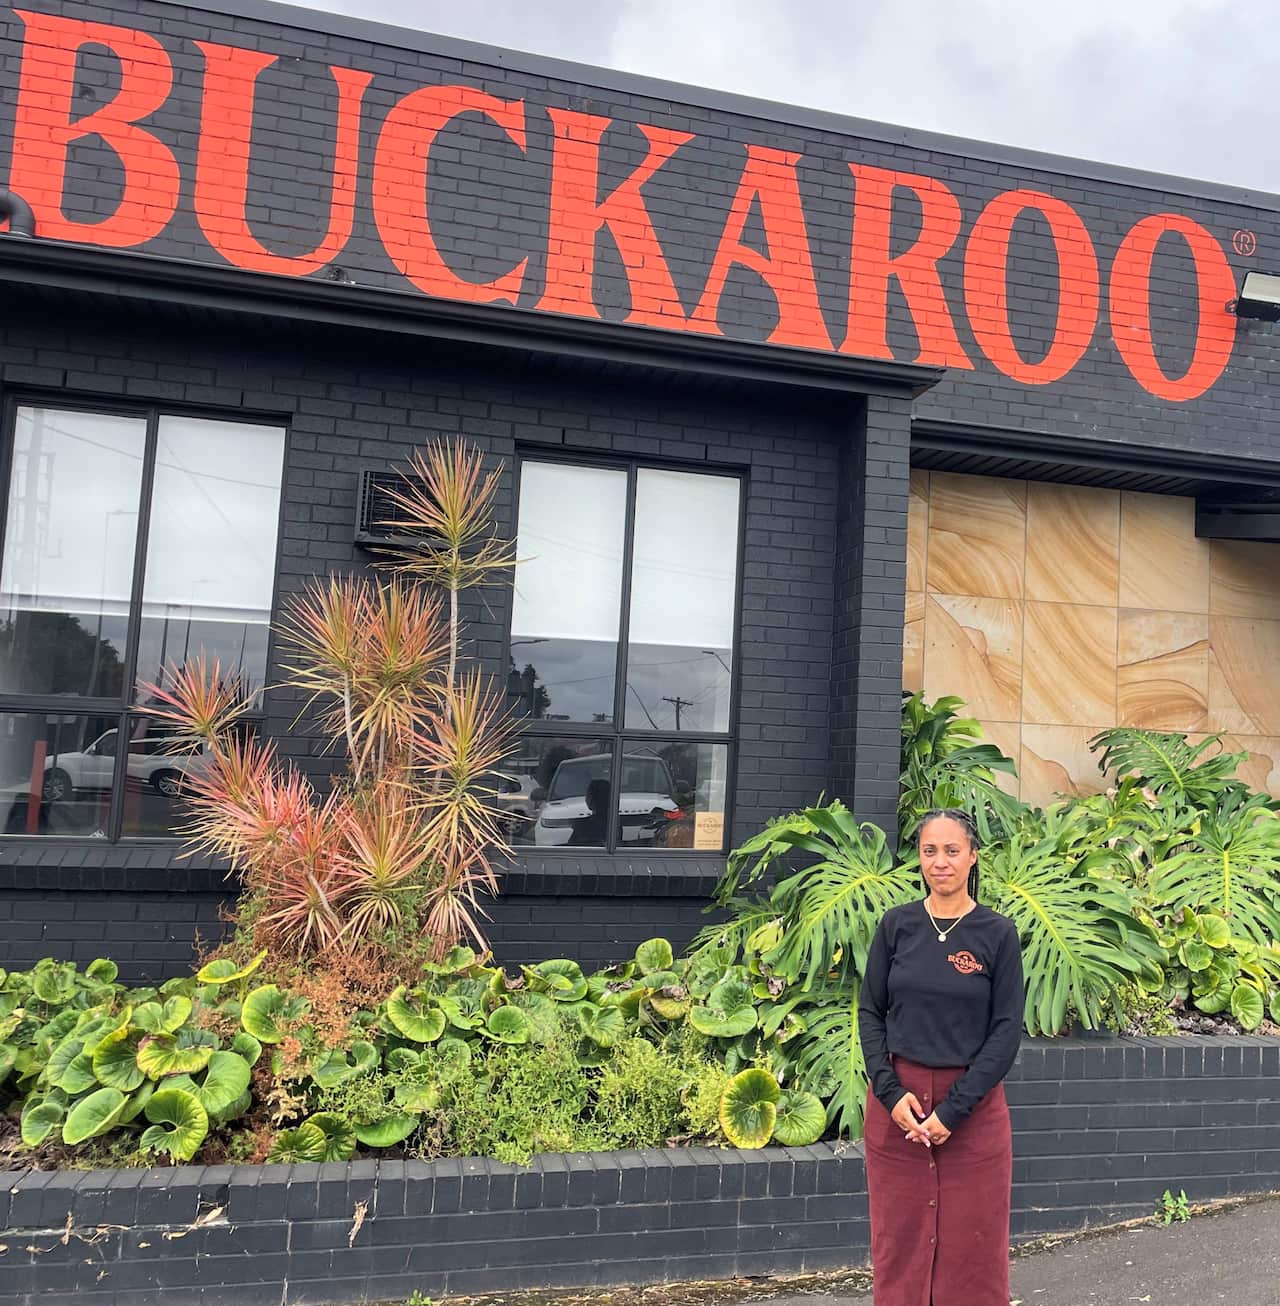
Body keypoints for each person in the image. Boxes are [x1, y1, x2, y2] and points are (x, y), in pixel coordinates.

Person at [856, 807, 1024, 1306]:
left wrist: (953, 1111)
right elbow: (870, 1013)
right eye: (930, 851)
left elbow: (1005, 1032)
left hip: (972, 1113)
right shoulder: (897, 926)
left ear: (973, 856)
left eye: (952, 850)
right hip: (898, 1112)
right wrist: (890, 1093)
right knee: (899, 1243)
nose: (940, 862)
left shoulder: (997, 934)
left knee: (974, 1250)